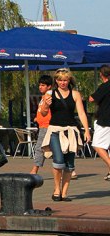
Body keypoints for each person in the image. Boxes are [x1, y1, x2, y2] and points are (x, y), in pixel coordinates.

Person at [38, 67, 91, 201]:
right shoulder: (50, 93)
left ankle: (64, 192)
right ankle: (56, 188)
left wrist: (86, 130)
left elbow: (81, 113)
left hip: (71, 130)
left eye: (65, 80)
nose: (63, 83)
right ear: (56, 81)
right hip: (55, 130)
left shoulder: (75, 94)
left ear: (69, 80)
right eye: (60, 80)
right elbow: (43, 113)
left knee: (69, 163)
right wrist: (46, 105)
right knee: (58, 160)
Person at [29, 75, 54, 176]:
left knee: (39, 148)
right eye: (39, 85)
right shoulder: (44, 97)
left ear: (49, 86)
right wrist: (37, 118)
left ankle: (34, 170)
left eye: (43, 85)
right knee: (55, 149)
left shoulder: (49, 95)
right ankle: (70, 169)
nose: (40, 87)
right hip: (43, 125)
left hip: (47, 126)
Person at [89, 65, 110, 179]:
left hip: (105, 120)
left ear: (101, 75)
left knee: (97, 145)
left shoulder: (105, 86)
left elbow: (92, 98)